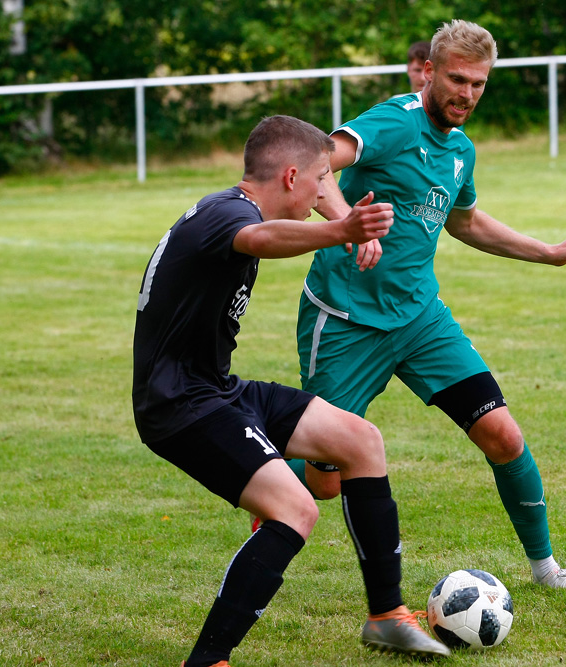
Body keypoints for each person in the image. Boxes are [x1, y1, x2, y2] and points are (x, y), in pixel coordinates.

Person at [293, 20, 566, 593]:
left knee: (504, 437)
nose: (466, 94)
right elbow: (318, 160)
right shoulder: (393, 122)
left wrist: (548, 251)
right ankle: (261, 471)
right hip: (344, 321)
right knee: (322, 483)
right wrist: (346, 225)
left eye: (479, 84)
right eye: (458, 79)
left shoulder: (459, 149)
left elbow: (464, 221)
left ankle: (547, 571)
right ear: (430, 72)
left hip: (419, 319)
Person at [132, 114, 450, 667]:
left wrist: (345, 223)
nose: (325, 188)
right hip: (180, 404)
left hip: (215, 388)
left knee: (360, 440)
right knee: (295, 510)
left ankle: (386, 617)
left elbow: (278, 224)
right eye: (321, 178)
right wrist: (341, 231)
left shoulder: (227, 205)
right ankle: (208, 660)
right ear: (290, 176)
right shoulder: (231, 213)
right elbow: (258, 237)